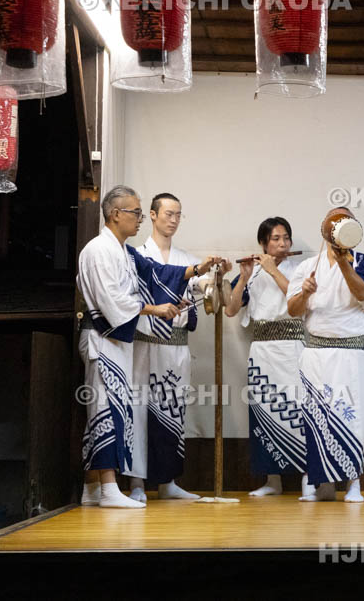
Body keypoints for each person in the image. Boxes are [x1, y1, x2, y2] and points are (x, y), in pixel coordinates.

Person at [77, 186, 219, 508]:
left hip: (119, 342)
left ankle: (92, 488)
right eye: (136, 212)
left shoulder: (125, 252)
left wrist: (197, 269)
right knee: (105, 411)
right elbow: (112, 302)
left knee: (108, 412)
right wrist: (153, 309)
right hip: (104, 338)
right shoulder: (98, 250)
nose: (139, 219)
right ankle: (110, 488)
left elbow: (157, 274)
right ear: (115, 214)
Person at [287, 207, 364, 503]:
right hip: (315, 352)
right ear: (325, 230)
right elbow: (292, 310)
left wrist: (344, 264)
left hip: (350, 353)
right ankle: (320, 484)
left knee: (352, 417)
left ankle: (353, 483)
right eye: (334, 222)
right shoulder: (308, 267)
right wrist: (304, 292)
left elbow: (363, 294)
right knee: (316, 418)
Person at [125, 193, 214, 503]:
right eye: (168, 213)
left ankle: (168, 481)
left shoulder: (185, 258)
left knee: (173, 412)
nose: (174, 219)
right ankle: (137, 482)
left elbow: (200, 287)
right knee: (139, 410)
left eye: (179, 214)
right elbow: (138, 298)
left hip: (176, 349)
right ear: (152, 215)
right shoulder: (137, 255)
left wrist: (211, 279)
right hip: (146, 347)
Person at [225, 217, 310, 498]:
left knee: (299, 410)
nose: (282, 243)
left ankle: (309, 479)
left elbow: (298, 299)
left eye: (286, 238)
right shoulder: (254, 272)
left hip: (293, 348)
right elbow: (231, 310)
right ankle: (271, 481)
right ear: (263, 243)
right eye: (275, 239)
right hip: (261, 350)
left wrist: (273, 270)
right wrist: (245, 277)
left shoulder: (301, 269)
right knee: (264, 412)